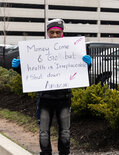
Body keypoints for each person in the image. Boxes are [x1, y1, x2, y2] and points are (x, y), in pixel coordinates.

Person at [12, 18, 92, 155]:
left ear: (62, 34)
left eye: (57, 32)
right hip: (45, 98)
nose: (54, 35)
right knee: (43, 132)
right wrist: (18, 67)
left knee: (65, 132)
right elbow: (30, 74)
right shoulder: (37, 50)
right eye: (51, 32)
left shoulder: (72, 49)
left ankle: (64, 153)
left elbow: (79, 73)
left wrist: (88, 65)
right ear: (47, 33)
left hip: (64, 97)